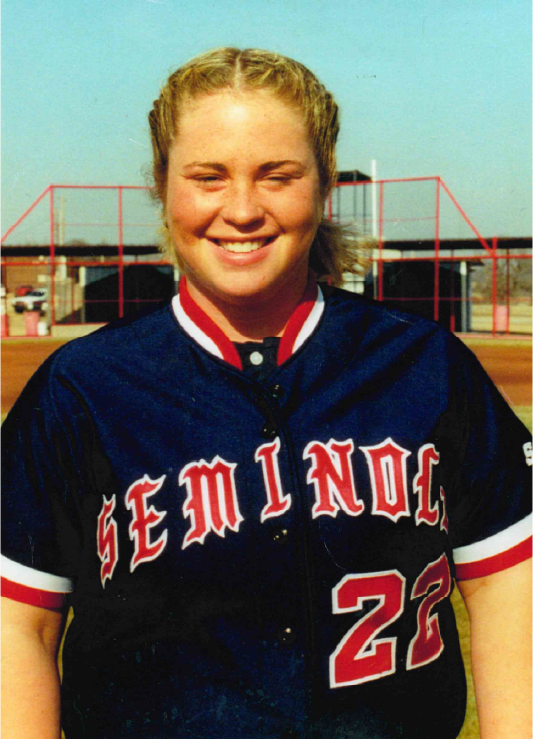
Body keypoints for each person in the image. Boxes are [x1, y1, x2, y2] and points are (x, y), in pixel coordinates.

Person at [0, 47, 533, 739]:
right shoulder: (80, 390)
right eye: (208, 177)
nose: (243, 209)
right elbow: (21, 624)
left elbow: (502, 583)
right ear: (163, 186)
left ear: (322, 185)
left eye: (277, 175)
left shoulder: (425, 365)